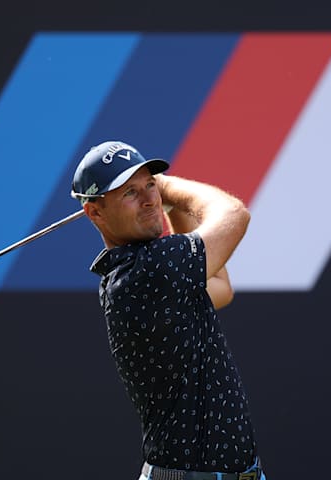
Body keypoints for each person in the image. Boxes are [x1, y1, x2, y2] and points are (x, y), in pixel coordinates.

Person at [70, 141, 266, 480]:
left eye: (150, 185)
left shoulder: (149, 271)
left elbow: (220, 286)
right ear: (95, 212)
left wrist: (166, 203)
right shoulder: (146, 271)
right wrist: (169, 187)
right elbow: (234, 215)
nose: (149, 200)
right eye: (130, 193)